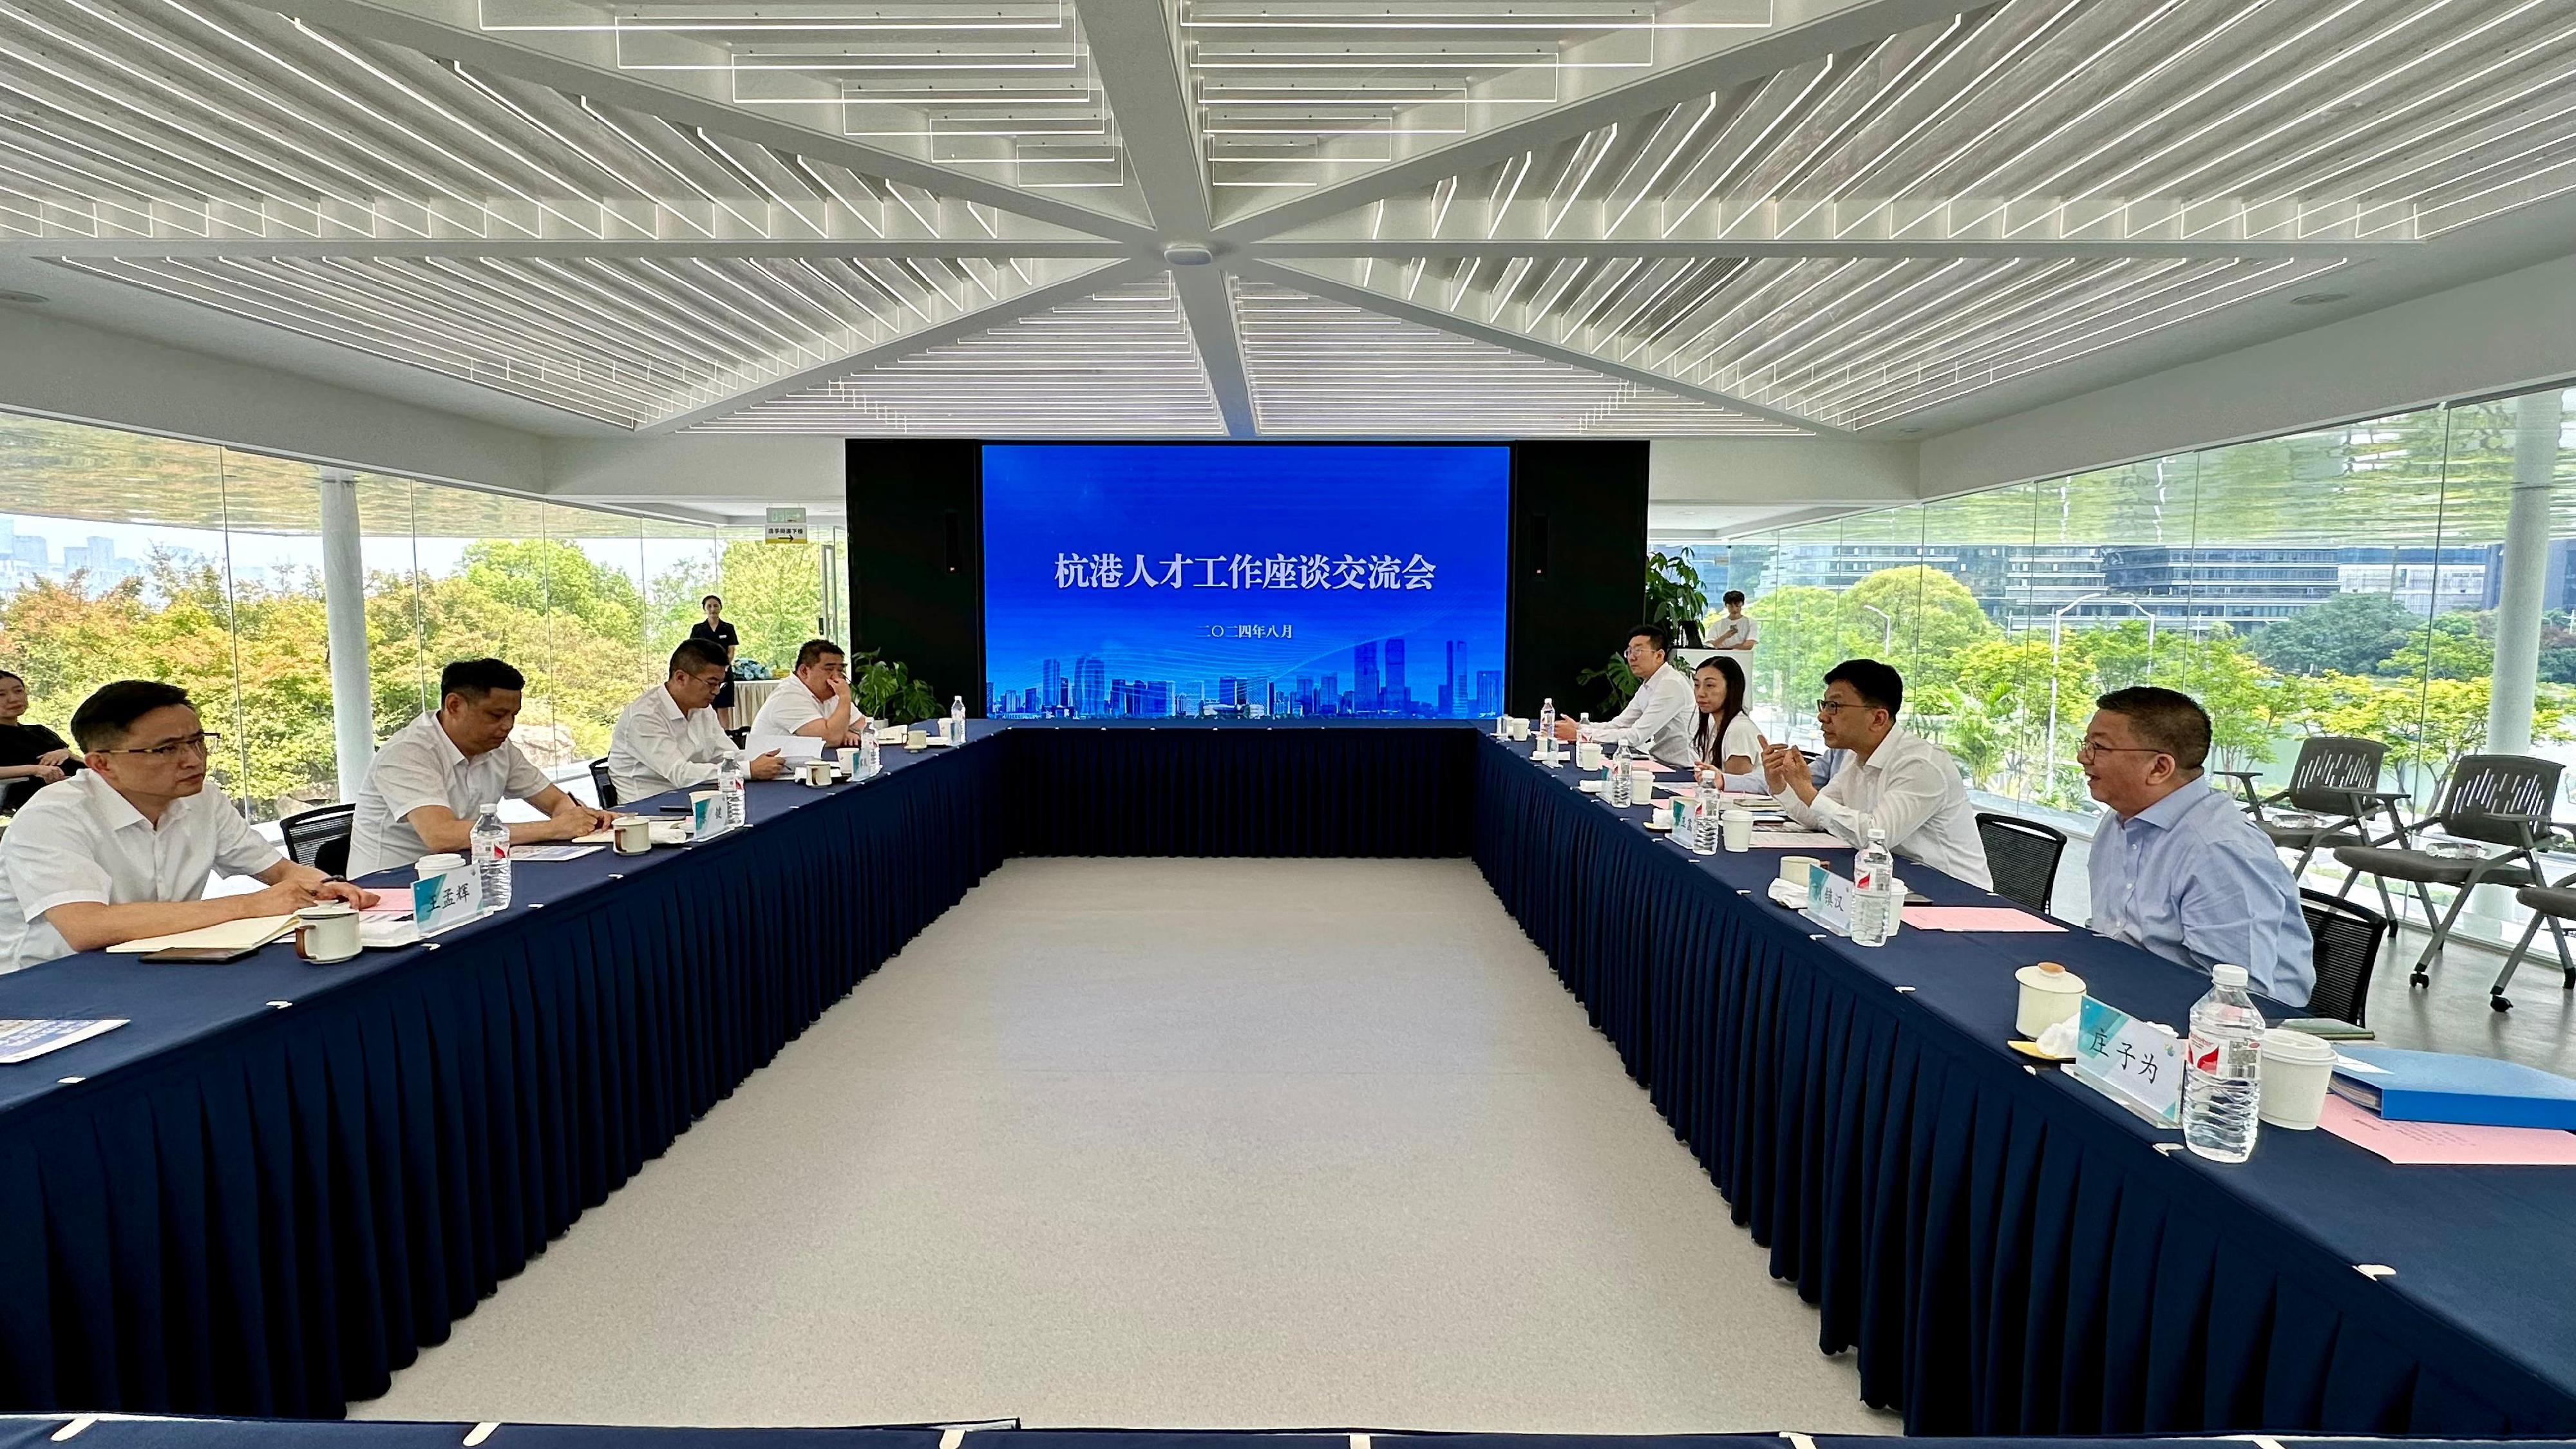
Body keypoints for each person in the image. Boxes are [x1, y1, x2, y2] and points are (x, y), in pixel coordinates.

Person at [0, 680, 377, 971]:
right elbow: (87, 927)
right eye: (166, 749)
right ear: (102, 764)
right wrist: (250, 905)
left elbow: (276, 869)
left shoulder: (202, 798)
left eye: (198, 742)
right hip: (50, 984)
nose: (193, 760)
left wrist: (324, 886)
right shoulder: (53, 816)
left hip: (164, 960)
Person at [2081, 686, 2313, 1005]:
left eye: (2099, 748)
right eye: (2086, 744)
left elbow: (2238, 995)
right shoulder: (2119, 820)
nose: (2084, 758)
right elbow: (2111, 931)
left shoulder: (2219, 849)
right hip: (2123, 991)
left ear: (2160, 768)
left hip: (2223, 1025)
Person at [348, 658, 616, 876]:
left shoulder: (500, 747)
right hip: (393, 889)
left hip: (467, 876)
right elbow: (440, 835)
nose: (508, 726)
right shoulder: (408, 752)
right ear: (454, 706)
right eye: (496, 715)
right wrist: (554, 829)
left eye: (514, 716)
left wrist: (582, 819)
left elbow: (556, 801)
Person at [1759, 658, 1991, 890]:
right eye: (1825, 704)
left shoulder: (1920, 765)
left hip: (1955, 895)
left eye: (1835, 707)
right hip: (1894, 881)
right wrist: (1779, 783)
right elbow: (1816, 817)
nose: (1823, 716)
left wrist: (1806, 790)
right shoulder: (1856, 757)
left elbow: (1874, 838)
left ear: (1878, 718)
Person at [609, 638, 784, 804]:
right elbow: (681, 774)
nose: (716, 692)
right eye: (711, 683)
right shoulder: (644, 717)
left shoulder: (702, 709)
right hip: (649, 811)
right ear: (680, 678)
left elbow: (726, 755)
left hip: (698, 798)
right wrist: (750, 769)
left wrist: (771, 760)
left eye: (720, 684)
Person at [1555, 622, 1696, 769]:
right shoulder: (1650, 684)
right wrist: (1580, 727)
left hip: (1682, 769)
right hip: (1661, 764)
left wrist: (1581, 735)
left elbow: (1636, 737)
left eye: (1638, 651)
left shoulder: (1671, 685)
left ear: (1659, 656)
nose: (1631, 658)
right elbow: (1619, 724)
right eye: (1629, 651)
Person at [746, 638, 869, 755]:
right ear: (804, 671)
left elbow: (862, 722)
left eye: (840, 670)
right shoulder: (788, 696)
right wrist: (845, 698)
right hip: (773, 773)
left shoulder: (829, 692)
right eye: (829, 669)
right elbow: (831, 738)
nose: (837, 677)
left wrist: (852, 731)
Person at [0, 668, 75, 813]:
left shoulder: (38, 731)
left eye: (18, 691)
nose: (14, 699)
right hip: (39, 797)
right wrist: (36, 769)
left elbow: (76, 759)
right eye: (1, 695)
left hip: (76, 784)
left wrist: (65, 753)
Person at [1690, 654, 1761, 782]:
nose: (1700, 693)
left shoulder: (1739, 729)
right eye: (1697, 685)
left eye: (1710, 685)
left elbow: (1737, 789)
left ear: (1731, 688)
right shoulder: (1714, 725)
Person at [690, 595, 741, 729]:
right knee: (704, 707)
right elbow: (694, 651)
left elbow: (731, 651)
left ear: (720, 608)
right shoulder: (698, 629)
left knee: (723, 707)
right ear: (705, 609)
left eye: (715, 606)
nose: (713, 609)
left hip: (724, 672)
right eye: (709, 606)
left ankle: (726, 737)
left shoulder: (728, 628)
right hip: (704, 674)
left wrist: (723, 666)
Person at [1706, 590, 1758, 654]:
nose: (1734, 609)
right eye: (1731, 606)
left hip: (1742, 658)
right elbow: (1711, 645)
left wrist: (1728, 649)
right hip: (1719, 658)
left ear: (1742, 604)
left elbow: (1749, 645)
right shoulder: (1717, 625)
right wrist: (1725, 636)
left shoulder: (1751, 623)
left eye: (1737, 606)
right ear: (1726, 605)